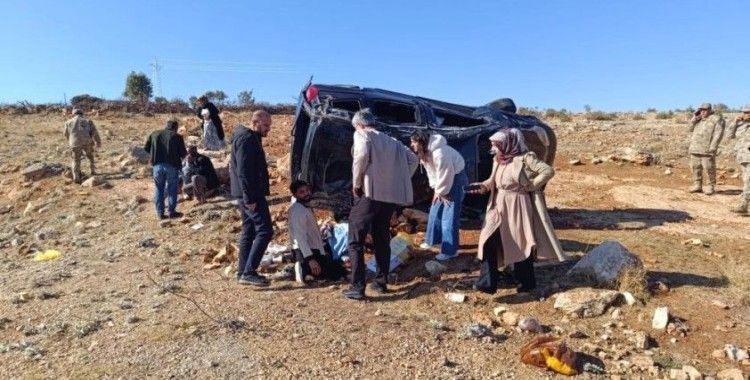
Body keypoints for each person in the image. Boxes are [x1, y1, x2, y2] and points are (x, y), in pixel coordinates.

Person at [468, 128, 558, 294]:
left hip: (518, 204)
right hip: (498, 204)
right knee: (487, 240)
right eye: (493, 144)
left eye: (497, 144)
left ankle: (527, 282)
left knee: (519, 243)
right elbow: (492, 181)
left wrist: (532, 185)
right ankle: (487, 283)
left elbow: (547, 171)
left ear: (508, 144)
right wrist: (482, 187)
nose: (493, 148)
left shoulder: (525, 158)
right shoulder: (498, 159)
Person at [343, 109, 419, 300]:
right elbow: (413, 160)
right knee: (382, 239)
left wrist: (357, 183)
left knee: (355, 240)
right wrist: (397, 179)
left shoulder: (362, 135)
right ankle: (381, 282)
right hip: (388, 199)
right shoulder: (392, 141)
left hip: (368, 194)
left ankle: (357, 286)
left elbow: (360, 157)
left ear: (359, 124)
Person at [409, 130, 468, 261]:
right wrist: (436, 190)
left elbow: (446, 173)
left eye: (413, 142)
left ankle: (450, 251)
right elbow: (431, 173)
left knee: (449, 215)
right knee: (435, 209)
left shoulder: (440, 152)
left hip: (456, 180)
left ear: (421, 142)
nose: (411, 145)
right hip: (444, 182)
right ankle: (433, 240)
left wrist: (443, 192)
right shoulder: (425, 153)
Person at [230, 110, 274, 287]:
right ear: (255, 123)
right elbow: (244, 171)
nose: (268, 129)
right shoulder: (247, 139)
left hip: (247, 193)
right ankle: (249, 272)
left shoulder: (251, 137)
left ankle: (243, 271)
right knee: (265, 230)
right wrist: (249, 198)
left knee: (249, 230)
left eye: (269, 126)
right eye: (265, 125)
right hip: (250, 194)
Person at [288, 180, 346, 284]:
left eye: (307, 190)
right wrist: (310, 259)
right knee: (330, 273)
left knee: (336, 270)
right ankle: (301, 268)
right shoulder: (298, 210)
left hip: (314, 249)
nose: (306, 193)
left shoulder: (305, 206)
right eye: (302, 192)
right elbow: (300, 237)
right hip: (306, 251)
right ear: (295, 194)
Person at [144, 119, 187, 219]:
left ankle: (160, 213)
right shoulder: (177, 137)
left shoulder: (154, 134)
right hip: (172, 166)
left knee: (159, 189)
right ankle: (172, 212)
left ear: (166, 125)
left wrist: (155, 153)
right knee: (172, 189)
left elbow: (146, 148)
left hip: (157, 166)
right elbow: (183, 154)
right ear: (176, 128)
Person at [688, 103, 725, 195]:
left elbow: (718, 134)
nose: (702, 111)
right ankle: (697, 185)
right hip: (695, 147)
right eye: (701, 110)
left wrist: (713, 147)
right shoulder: (698, 119)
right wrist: (694, 118)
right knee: (695, 167)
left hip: (707, 149)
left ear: (710, 110)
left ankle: (710, 186)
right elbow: (689, 129)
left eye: (705, 110)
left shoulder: (716, 119)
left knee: (709, 168)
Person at [64, 108, 101, 183]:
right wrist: (98, 142)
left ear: (73, 114)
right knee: (90, 156)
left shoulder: (68, 122)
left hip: (74, 143)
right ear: (82, 114)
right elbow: (94, 132)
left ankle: (76, 177)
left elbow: (66, 134)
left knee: (75, 160)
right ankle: (93, 171)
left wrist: (71, 141)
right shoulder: (88, 121)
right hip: (87, 142)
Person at [727, 105, 750, 214]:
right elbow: (729, 135)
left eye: (746, 112)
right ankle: (744, 206)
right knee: (746, 181)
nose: (743, 114)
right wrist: (734, 123)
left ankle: (743, 206)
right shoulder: (741, 126)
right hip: (743, 158)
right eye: (743, 112)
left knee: (748, 182)